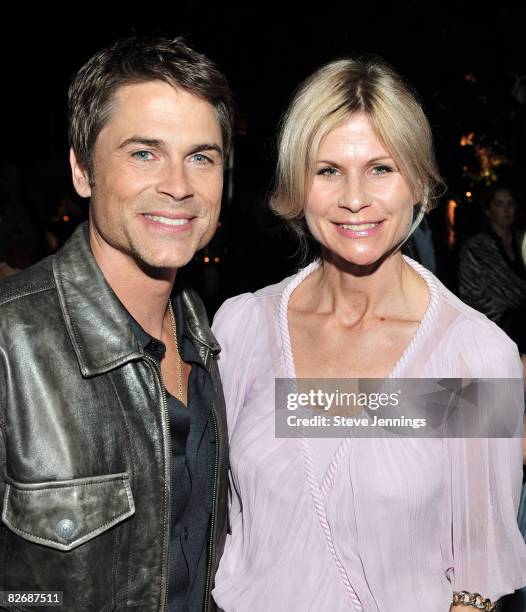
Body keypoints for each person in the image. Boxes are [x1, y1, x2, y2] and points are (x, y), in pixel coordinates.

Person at [211, 58, 526, 611]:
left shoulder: (476, 355)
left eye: (381, 168)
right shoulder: (242, 329)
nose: (354, 197)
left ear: (419, 182)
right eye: (328, 169)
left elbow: (476, 579)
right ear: (297, 186)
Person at [0, 36, 231, 611]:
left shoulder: (215, 333)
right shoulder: (11, 347)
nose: (179, 185)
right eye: (143, 153)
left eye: (201, 156)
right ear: (82, 170)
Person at [458, 184, 526, 352]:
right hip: (496, 332)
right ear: (488, 210)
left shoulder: (522, 240)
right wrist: (505, 319)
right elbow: (471, 296)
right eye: (499, 204)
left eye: (510, 204)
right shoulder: (475, 247)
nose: (506, 210)